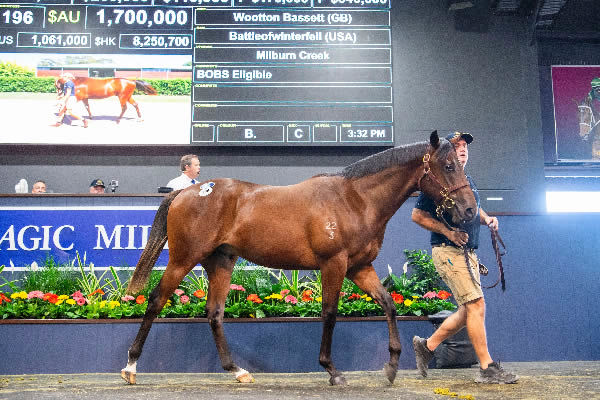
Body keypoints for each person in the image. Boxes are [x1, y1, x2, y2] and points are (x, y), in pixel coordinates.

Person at [411, 131, 518, 384]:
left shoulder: (464, 180)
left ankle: (427, 347)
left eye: (465, 146)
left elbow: (473, 208)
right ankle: (487, 368)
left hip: (467, 253)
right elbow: (417, 216)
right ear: (448, 153)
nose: (463, 149)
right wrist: (448, 231)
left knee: (466, 310)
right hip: (447, 251)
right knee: (476, 305)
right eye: (457, 146)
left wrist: (487, 218)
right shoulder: (438, 180)